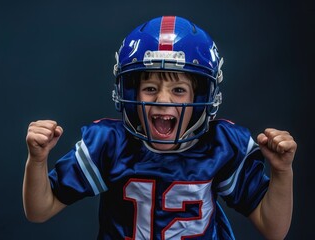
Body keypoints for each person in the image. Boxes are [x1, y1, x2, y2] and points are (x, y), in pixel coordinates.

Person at [23, 16, 297, 239]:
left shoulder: (220, 145)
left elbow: (273, 229)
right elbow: (39, 210)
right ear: (129, 91)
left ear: (201, 97)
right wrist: (37, 160)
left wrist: (282, 172)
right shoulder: (108, 143)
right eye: (150, 88)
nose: (163, 99)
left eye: (178, 90)